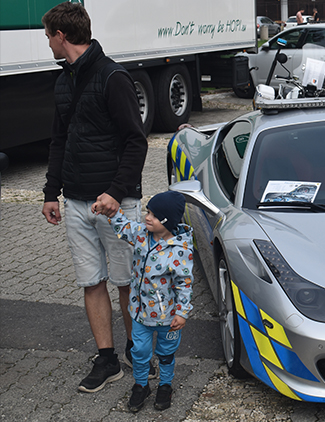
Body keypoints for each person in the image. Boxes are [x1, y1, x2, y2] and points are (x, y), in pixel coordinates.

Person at [40, 2, 148, 393]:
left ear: (62, 36)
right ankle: (107, 360)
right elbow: (60, 140)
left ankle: (141, 354)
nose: (47, 43)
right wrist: (52, 192)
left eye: (48, 35)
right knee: (92, 282)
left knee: (127, 283)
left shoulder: (113, 76)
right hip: (77, 202)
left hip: (116, 205)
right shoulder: (63, 80)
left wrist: (116, 194)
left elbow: (136, 142)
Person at [102, 191, 194, 412]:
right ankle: (141, 385)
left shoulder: (180, 251)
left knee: (166, 352)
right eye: (148, 211)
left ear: (167, 221)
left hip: (168, 317)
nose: (147, 217)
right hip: (140, 313)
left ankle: (165, 385)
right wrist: (112, 212)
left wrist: (182, 313)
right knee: (140, 352)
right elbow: (124, 227)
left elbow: (184, 284)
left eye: (153, 214)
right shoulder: (142, 234)